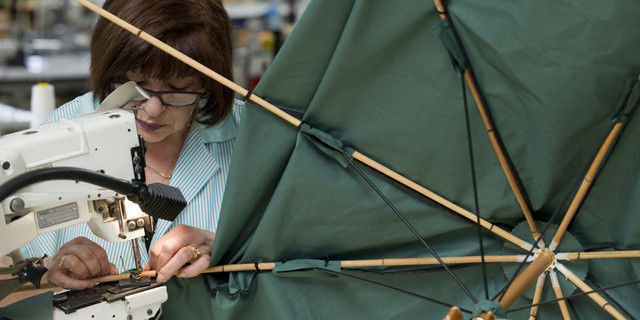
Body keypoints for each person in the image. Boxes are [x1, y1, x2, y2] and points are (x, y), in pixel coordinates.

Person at [20, 0, 240, 290]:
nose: (152, 110)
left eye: (177, 90)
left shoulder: (251, 140)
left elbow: (298, 257)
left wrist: (225, 246)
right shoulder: (61, 133)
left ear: (207, 83)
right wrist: (49, 271)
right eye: (136, 83)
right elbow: (18, 274)